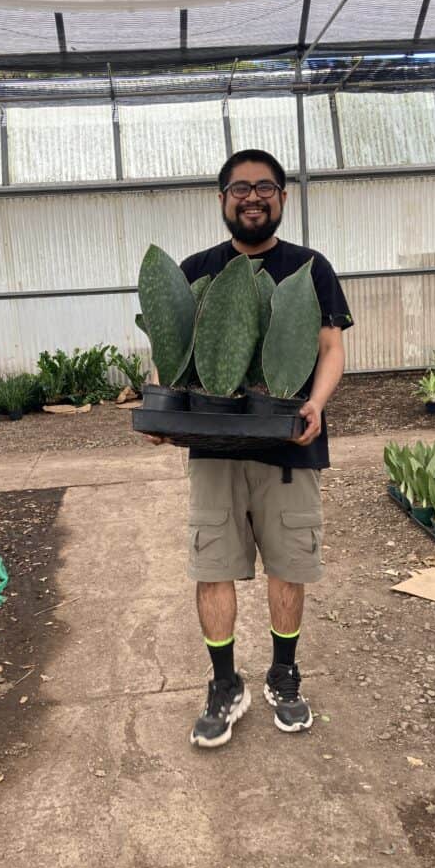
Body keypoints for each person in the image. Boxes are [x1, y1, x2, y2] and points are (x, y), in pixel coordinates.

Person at [149, 149, 352, 748]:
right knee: (213, 566)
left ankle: (284, 675)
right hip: (214, 450)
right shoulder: (194, 271)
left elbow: (330, 348)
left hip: (290, 446)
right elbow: (172, 354)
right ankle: (223, 682)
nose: (253, 197)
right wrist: (163, 410)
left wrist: (315, 402)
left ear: (283, 199)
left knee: (290, 566)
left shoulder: (310, 268)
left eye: (265, 187)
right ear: (222, 200)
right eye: (240, 188)